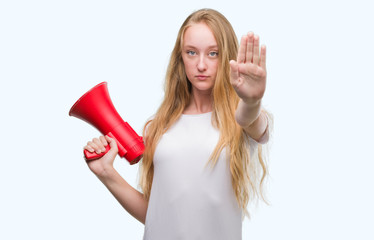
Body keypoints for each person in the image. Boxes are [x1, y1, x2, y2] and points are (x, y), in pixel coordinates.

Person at [83, 8, 271, 240]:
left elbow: (249, 119)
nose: (201, 65)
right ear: (180, 57)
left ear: (228, 58)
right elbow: (155, 214)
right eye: (191, 52)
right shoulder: (159, 127)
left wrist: (252, 100)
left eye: (213, 53)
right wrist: (106, 172)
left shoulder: (242, 117)